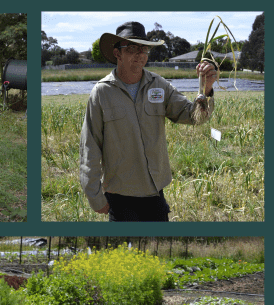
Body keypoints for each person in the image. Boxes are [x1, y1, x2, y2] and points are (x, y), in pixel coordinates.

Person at [80, 21, 218, 222]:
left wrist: (205, 89)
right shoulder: (101, 93)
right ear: (118, 54)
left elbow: (192, 116)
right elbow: (89, 147)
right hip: (120, 197)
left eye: (144, 48)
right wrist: (94, 196)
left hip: (155, 194)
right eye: (132, 48)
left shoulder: (159, 85)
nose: (140, 54)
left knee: (156, 249)